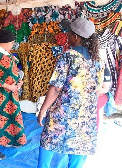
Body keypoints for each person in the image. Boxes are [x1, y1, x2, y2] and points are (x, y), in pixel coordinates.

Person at [37, 17, 103, 168]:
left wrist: (43, 110)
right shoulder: (98, 61)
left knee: (48, 142)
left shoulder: (68, 56)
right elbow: (97, 90)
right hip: (85, 118)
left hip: (63, 114)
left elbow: (55, 88)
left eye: (69, 32)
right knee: (79, 148)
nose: (67, 35)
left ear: (75, 37)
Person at [0, 29, 27, 160]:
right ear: (7, 42)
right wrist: (9, 86)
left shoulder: (8, 54)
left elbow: (15, 71)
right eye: (12, 42)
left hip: (11, 93)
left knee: (11, 116)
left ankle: (9, 139)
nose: (13, 45)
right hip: (0, 94)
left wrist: (19, 82)